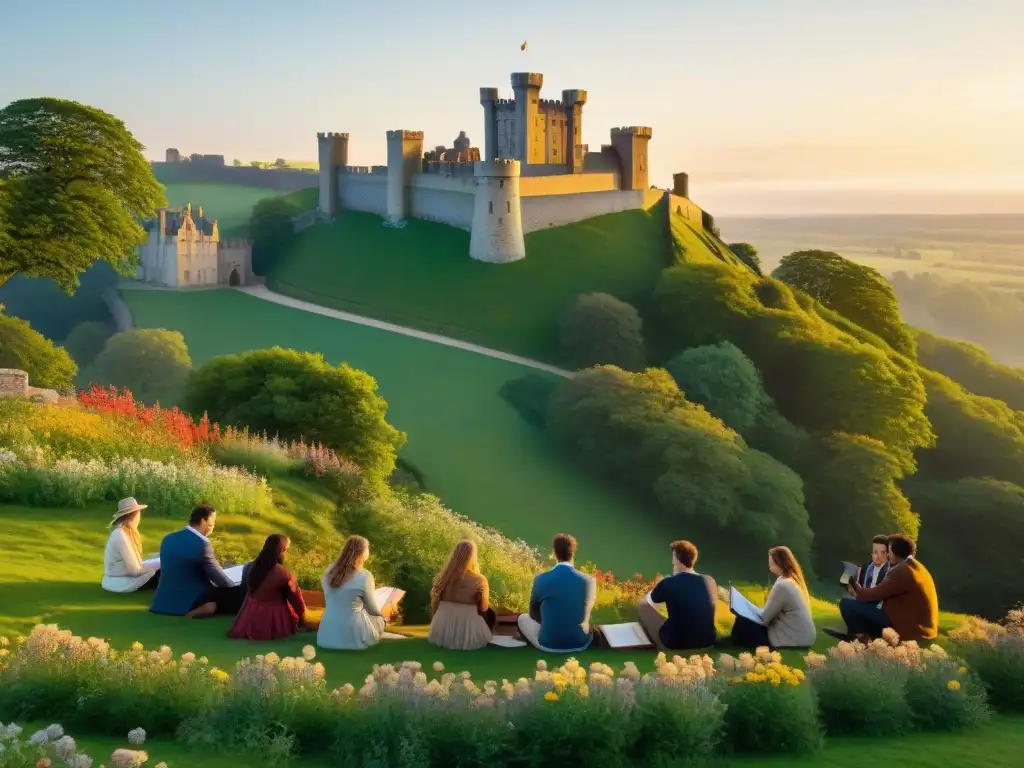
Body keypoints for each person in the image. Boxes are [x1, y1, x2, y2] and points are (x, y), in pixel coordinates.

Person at [829, 534, 939, 643]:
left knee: (847, 604)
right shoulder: (915, 567)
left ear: (894, 550)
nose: (887, 554)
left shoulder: (902, 571)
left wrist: (850, 580)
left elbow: (866, 595)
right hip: (922, 628)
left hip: (912, 629)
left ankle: (861, 640)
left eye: (888, 550)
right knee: (868, 605)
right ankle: (858, 636)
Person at [149, 504, 246, 618]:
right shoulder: (202, 544)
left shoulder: (168, 538)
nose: (213, 525)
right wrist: (235, 587)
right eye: (212, 521)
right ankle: (203, 608)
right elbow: (220, 579)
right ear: (203, 521)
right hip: (191, 598)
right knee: (239, 595)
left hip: (163, 601)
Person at [517, 534, 596, 653]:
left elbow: (533, 614)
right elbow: (587, 613)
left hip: (549, 644)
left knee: (523, 618)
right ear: (573, 552)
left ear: (554, 552)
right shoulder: (589, 581)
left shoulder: (541, 579)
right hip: (580, 643)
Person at [729, 546, 816, 649]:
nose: (769, 562)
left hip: (792, 638)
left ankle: (729, 645)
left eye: (771, 559)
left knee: (742, 621)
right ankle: (731, 642)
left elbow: (764, 619)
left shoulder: (783, 585)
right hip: (802, 637)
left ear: (779, 562)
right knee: (744, 620)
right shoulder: (791, 581)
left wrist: (746, 610)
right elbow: (768, 614)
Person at [637, 540, 717, 651]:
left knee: (643, 605)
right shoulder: (709, 580)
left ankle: (657, 645)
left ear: (675, 558)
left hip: (677, 643)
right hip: (708, 641)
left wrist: (662, 583)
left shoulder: (668, 582)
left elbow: (650, 601)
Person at [317, 535, 393, 650]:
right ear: (363, 554)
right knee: (378, 619)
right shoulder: (365, 576)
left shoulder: (329, 572)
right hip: (353, 639)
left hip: (325, 635)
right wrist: (383, 616)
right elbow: (372, 610)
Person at [227, 534, 307, 641]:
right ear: (281, 551)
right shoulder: (283, 574)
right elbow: (296, 599)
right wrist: (302, 618)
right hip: (274, 619)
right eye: (286, 550)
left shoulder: (251, 567)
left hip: (249, 617)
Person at [427, 539, 495, 650]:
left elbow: (435, 605)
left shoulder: (443, 578)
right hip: (467, 630)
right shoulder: (479, 579)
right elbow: (484, 607)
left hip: (441, 630)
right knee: (491, 613)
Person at [102, 498, 160, 593]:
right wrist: (158, 565)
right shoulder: (120, 534)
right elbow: (134, 570)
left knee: (158, 558)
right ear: (135, 515)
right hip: (122, 581)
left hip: (120, 577)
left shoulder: (126, 532)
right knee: (165, 568)